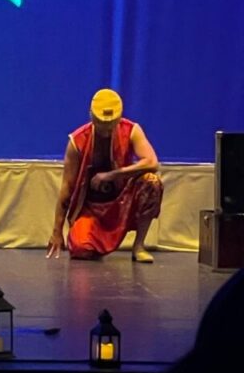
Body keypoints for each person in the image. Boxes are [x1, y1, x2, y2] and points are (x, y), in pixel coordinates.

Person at [46, 88, 163, 262]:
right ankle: (94, 240)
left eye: (111, 127)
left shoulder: (131, 130)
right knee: (80, 249)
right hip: (91, 209)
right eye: (102, 126)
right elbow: (67, 188)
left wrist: (112, 175)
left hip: (122, 202)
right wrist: (57, 231)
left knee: (152, 182)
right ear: (91, 117)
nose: (107, 132)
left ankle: (139, 246)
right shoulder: (77, 141)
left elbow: (152, 162)